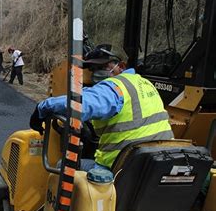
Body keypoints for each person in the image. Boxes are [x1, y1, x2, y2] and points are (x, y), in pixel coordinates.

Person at [29, 48, 174, 171]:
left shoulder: (115, 87)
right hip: (156, 162)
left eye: (103, 67)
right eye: (93, 69)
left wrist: (43, 107)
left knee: (62, 165)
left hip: (122, 168)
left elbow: (82, 104)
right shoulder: (145, 83)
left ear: (121, 67)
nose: (96, 73)